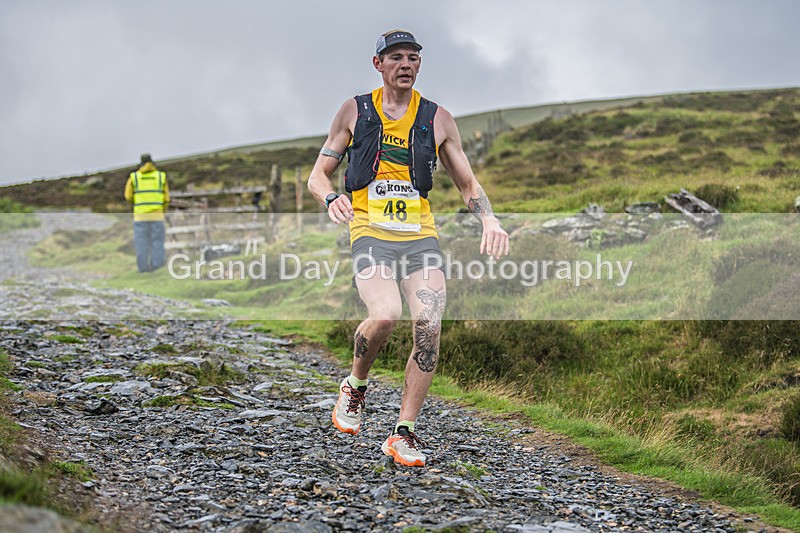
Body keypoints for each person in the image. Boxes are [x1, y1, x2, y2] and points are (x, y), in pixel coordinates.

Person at [307, 29, 509, 467]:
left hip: (420, 237)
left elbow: (468, 184)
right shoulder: (354, 111)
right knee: (385, 315)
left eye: (413, 57)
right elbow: (317, 175)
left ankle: (403, 433)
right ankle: (355, 385)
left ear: (420, 64)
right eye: (395, 57)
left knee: (429, 325)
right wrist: (330, 197)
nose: (406, 64)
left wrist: (489, 218)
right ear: (378, 64)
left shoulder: (438, 119)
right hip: (370, 231)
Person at [124, 153, 170, 272]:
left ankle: (143, 268)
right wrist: (162, 209)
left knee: (141, 242)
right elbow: (166, 198)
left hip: (140, 215)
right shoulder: (161, 176)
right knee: (157, 240)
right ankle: (157, 266)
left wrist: (138, 202)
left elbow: (128, 196)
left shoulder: (134, 177)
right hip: (157, 214)